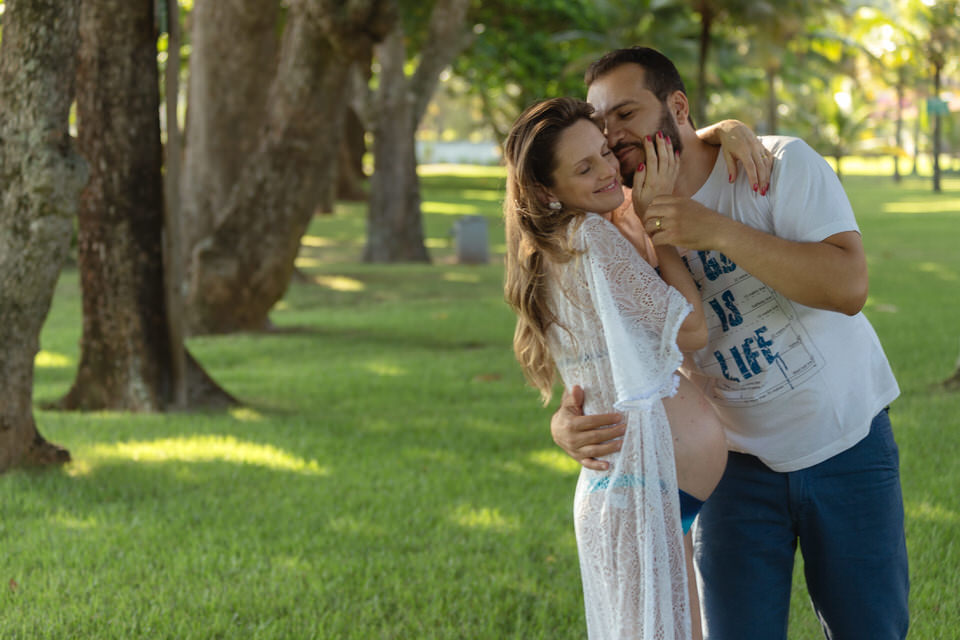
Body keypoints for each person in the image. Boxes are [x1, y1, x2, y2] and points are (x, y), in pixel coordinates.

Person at [550, 46, 908, 640]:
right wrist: (566, 420)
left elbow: (848, 287)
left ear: (678, 105)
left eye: (626, 115)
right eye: (601, 123)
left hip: (848, 445)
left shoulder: (778, 163)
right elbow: (594, 340)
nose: (610, 138)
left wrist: (710, 226)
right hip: (733, 475)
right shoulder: (618, 216)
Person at [504, 96, 768, 640]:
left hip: (641, 495)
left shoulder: (561, 241)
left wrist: (725, 128)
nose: (607, 170)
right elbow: (691, 327)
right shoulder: (593, 237)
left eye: (604, 152)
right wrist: (658, 222)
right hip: (637, 496)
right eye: (585, 167)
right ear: (546, 190)